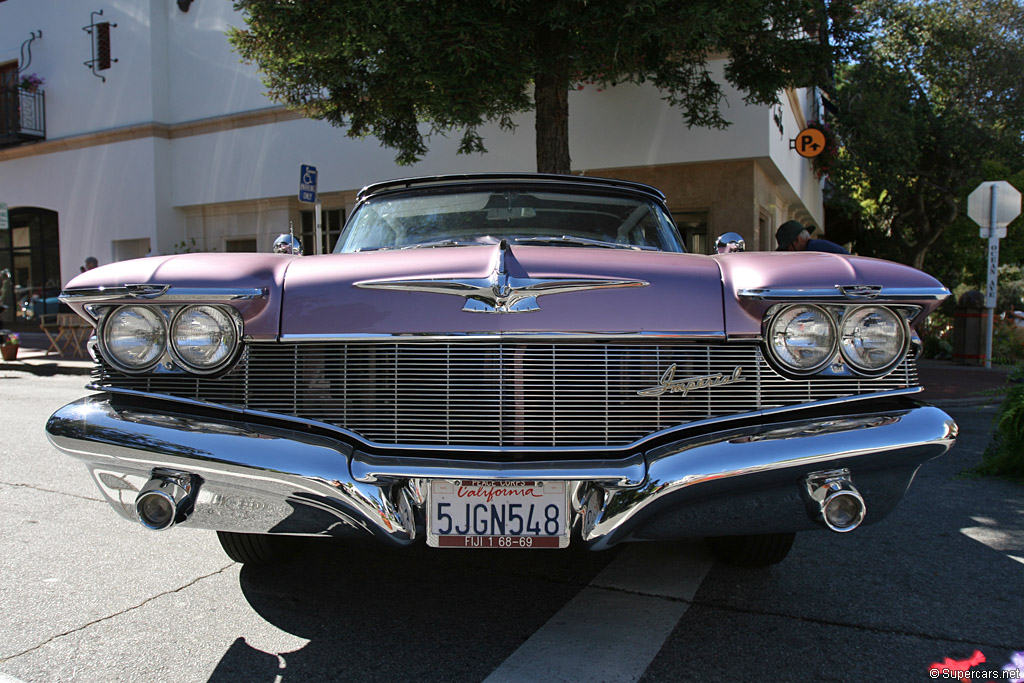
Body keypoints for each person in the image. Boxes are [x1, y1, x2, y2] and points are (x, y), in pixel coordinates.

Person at [775, 220, 849, 254]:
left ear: (797, 240)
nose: (788, 252)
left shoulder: (816, 251)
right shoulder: (815, 247)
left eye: (787, 248)